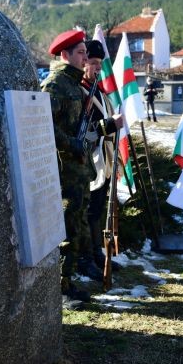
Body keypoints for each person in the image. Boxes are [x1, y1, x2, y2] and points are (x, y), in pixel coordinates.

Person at [41, 29, 99, 307]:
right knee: (66, 228)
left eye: (86, 53)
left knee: (75, 226)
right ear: (64, 54)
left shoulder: (74, 85)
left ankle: (68, 280)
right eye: (81, 53)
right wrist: (71, 144)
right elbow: (44, 126)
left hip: (78, 169)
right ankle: (60, 288)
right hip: (64, 171)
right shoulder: (55, 85)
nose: (85, 58)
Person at [81, 40, 122, 272]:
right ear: (84, 62)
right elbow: (85, 130)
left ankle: (97, 253)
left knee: (97, 209)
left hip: (104, 159)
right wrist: (111, 124)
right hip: (89, 161)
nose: (98, 68)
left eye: (100, 63)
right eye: (94, 62)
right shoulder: (81, 91)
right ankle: (86, 258)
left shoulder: (98, 91)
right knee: (88, 212)